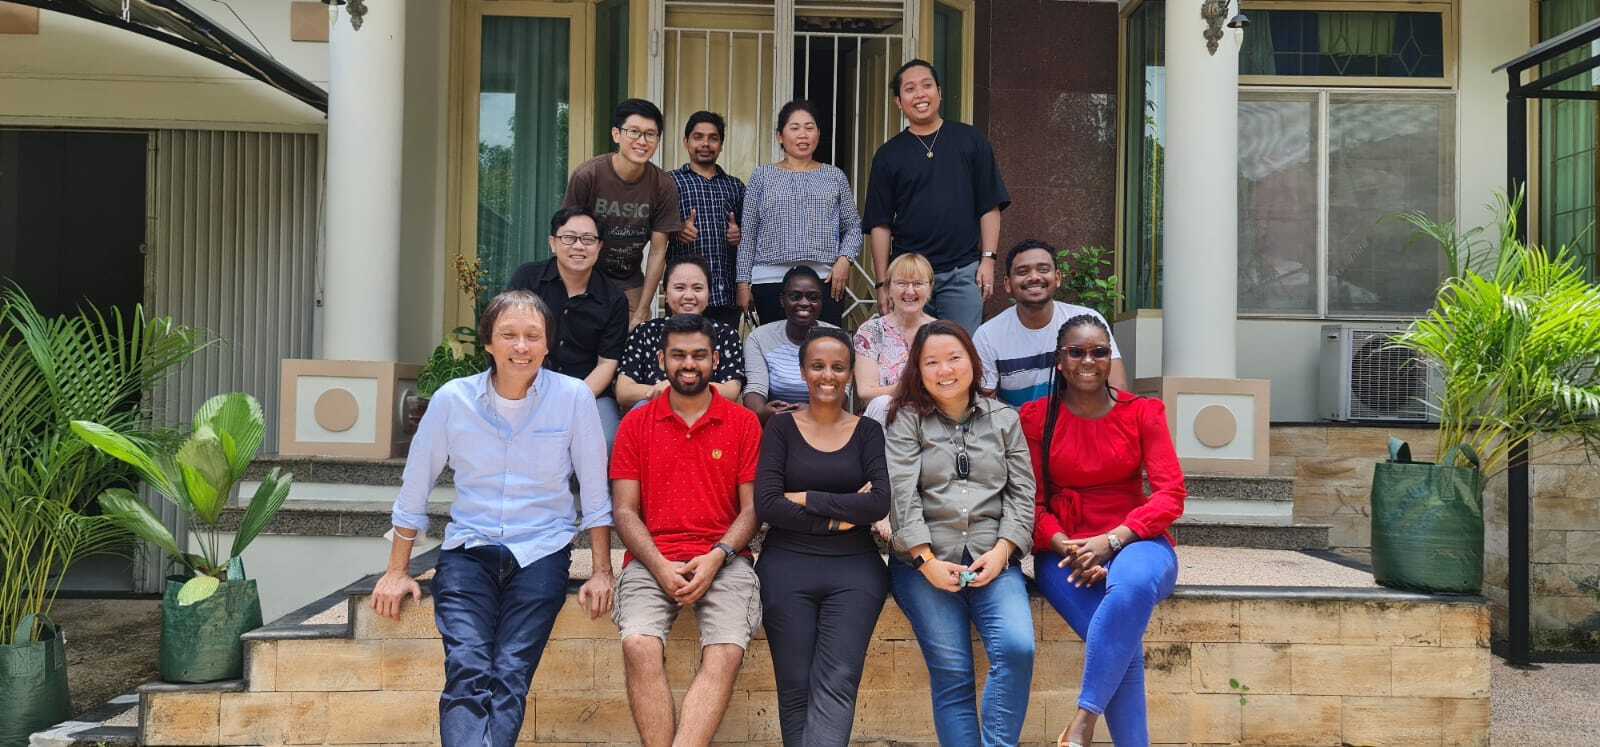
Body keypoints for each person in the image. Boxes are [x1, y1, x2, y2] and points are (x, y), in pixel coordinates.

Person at [373, 290, 615, 746]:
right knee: (467, 668)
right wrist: (396, 570)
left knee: (511, 671)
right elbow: (415, 485)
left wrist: (602, 571)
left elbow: (595, 493)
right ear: (489, 342)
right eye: (509, 335)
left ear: (547, 345)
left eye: (532, 336)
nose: (520, 347)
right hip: (469, 551)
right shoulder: (452, 400)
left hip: (542, 550)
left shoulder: (573, 398)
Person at [1022, 314, 1186, 747]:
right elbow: (1031, 504)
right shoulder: (1036, 418)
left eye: (1098, 352)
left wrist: (1111, 543)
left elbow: (1171, 495)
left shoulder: (1142, 412)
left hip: (1137, 539)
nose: (1088, 361)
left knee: (1129, 589)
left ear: (1110, 358)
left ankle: (1083, 721)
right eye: (1076, 352)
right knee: (1121, 642)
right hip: (1064, 548)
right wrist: (1072, 548)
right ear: (1060, 361)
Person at [610, 314, 764, 747]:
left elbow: (753, 510)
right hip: (651, 557)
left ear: (715, 360)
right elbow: (624, 510)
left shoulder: (743, 423)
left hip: (725, 558)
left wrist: (717, 556)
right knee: (638, 645)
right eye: (678, 355)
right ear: (662, 360)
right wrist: (659, 566)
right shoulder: (636, 425)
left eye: (699, 355)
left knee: (726, 649)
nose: (688, 364)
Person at [884, 320, 1036, 747]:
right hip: (924, 564)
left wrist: (1005, 551)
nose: (945, 370)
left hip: (994, 557)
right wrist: (926, 562)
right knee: (952, 672)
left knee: (1017, 649)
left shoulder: (1004, 418)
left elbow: (1023, 493)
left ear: (973, 360)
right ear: (918, 369)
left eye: (954, 358)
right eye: (931, 362)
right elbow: (902, 495)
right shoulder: (906, 420)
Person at [754, 327, 891, 746]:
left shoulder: (868, 432)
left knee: (837, 680)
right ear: (802, 371)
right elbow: (769, 505)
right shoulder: (780, 429)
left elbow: (879, 503)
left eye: (837, 367)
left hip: (855, 571)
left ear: (850, 373)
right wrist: (841, 513)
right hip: (785, 567)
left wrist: (807, 498)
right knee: (794, 683)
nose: (827, 375)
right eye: (817, 366)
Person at [863, 59, 1009, 334]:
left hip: (963, 272)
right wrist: (882, 284)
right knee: (910, 359)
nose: (919, 94)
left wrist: (988, 259)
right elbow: (879, 224)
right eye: (909, 89)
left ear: (939, 93)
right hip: (909, 278)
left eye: (926, 86)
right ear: (898, 101)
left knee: (961, 354)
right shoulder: (888, 155)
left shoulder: (970, 141)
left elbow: (989, 205)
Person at [507, 207, 630, 448]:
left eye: (588, 239)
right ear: (553, 243)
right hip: (526, 384)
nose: (578, 246)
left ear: (599, 247)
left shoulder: (614, 298)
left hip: (587, 392)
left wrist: (571, 401)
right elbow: (507, 338)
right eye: (569, 238)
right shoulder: (528, 279)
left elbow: (607, 363)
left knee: (605, 440)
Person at [737, 100, 863, 326]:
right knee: (776, 351)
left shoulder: (834, 176)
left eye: (809, 127)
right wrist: (743, 283)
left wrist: (845, 260)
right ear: (780, 136)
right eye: (794, 128)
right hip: (770, 280)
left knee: (822, 350)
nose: (802, 135)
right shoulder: (762, 176)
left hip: (825, 280)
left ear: (818, 134)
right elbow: (749, 234)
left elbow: (853, 226)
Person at [562, 98, 683, 326]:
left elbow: (658, 251)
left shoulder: (663, 185)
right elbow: (567, 237)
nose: (642, 141)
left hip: (629, 280)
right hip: (585, 275)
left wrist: (643, 308)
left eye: (650, 134)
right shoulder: (588, 175)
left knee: (631, 343)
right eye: (634, 132)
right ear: (616, 134)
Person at [974, 239, 1129, 407]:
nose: (1034, 277)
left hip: (1079, 426)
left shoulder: (1087, 322)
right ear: (1007, 284)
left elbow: (1117, 390)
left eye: (1043, 269)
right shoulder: (988, 335)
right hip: (1018, 429)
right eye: (1022, 271)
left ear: (1057, 278)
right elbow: (986, 407)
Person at [615, 256, 744, 409]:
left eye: (697, 288)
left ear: (709, 294)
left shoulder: (726, 334)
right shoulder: (645, 332)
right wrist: (665, 391)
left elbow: (731, 391)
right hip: (655, 417)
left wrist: (673, 389)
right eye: (679, 288)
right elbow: (624, 391)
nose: (689, 296)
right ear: (666, 294)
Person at [668, 111, 746, 328]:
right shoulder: (670, 182)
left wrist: (738, 235)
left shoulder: (735, 186)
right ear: (686, 142)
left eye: (713, 138)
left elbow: (750, 237)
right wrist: (677, 230)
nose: (705, 143)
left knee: (722, 356)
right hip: (684, 295)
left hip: (725, 293)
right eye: (698, 137)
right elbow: (655, 229)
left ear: (721, 145)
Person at [742, 266, 839, 424]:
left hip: (824, 422)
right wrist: (762, 412)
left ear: (822, 302)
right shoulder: (760, 338)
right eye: (795, 296)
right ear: (782, 300)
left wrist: (810, 412)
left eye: (813, 297)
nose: (804, 303)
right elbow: (755, 389)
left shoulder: (837, 338)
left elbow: (841, 396)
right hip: (775, 424)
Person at [853, 252, 936, 423]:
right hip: (885, 417)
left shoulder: (941, 331)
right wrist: (910, 389)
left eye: (918, 284)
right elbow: (865, 391)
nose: (910, 291)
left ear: (929, 289)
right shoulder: (871, 331)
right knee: (883, 403)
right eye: (901, 283)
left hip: (931, 415)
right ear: (888, 288)